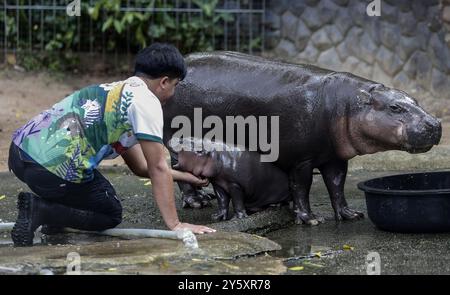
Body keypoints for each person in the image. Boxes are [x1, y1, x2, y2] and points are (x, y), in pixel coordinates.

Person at [7, 43, 216, 247]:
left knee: (83, 187)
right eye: (175, 85)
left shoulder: (118, 91)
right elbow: (157, 167)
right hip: (51, 170)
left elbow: (141, 167)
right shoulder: (147, 103)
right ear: (164, 82)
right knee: (110, 212)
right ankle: (42, 211)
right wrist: (176, 225)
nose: (173, 93)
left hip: (19, 155)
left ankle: (53, 218)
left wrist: (186, 177)